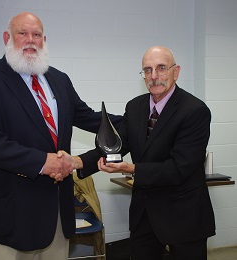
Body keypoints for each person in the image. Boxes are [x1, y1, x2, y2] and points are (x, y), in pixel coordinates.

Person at [0, 12, 121, 260]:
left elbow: (89, 117)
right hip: (11, 216)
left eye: (36, 35)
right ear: (7, 38)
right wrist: (42, 162)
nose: (30, 40)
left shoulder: (59, 79)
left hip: (57, 212)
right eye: (22, 33)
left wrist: (140, 119)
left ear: (44, 40)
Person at [68, 46, 216, 260]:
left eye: (161, 68)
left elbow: (179, 168)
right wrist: (78, 162)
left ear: (176, 71)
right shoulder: (136, 106)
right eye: (147, 70)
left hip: (183, 214)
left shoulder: (194, 110)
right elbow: (118, 145)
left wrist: (132, 168)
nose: (154, 76)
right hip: (144, 213)